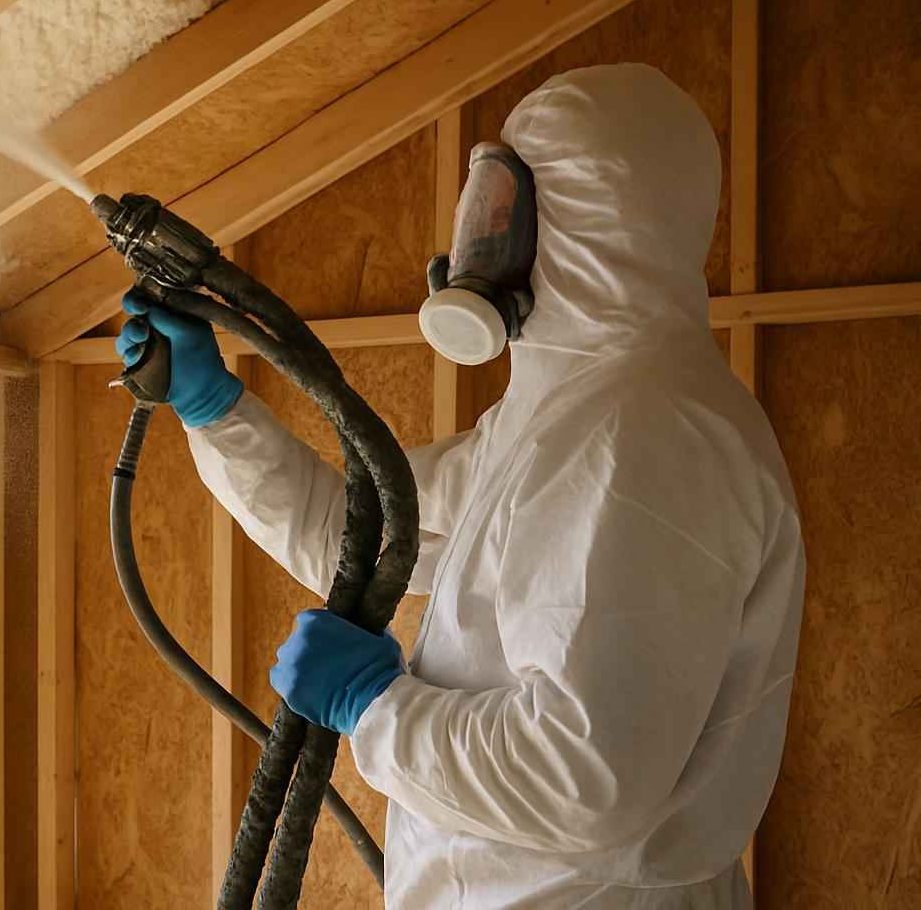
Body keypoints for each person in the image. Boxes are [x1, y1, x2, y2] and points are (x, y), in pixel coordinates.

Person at [115, 64, 805, 908]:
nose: (474, 243)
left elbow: (578, 778)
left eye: (502, 214)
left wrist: (374, 708)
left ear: (578, 225)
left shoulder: (643, 438)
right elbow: (363, 539)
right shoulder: (569, 418)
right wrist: (216, 412)